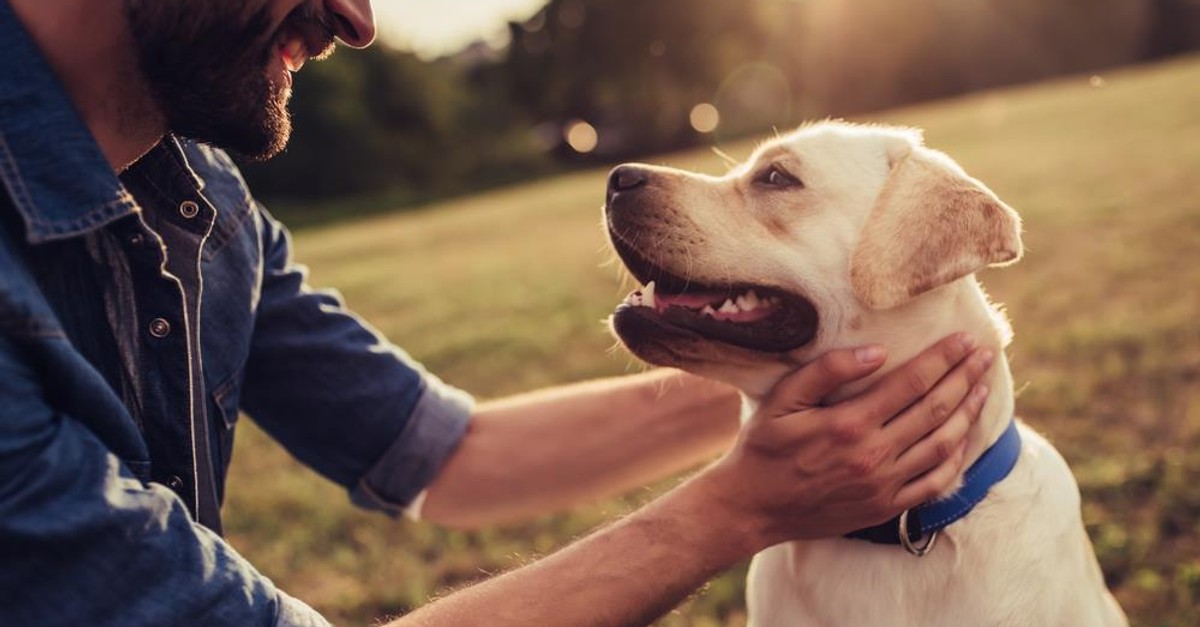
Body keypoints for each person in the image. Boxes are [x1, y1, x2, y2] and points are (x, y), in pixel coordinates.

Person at [0, 1, 995, 625]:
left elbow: (450, 453)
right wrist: (738, 506)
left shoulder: (203, 203)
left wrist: (842, 375)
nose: (356, 19)